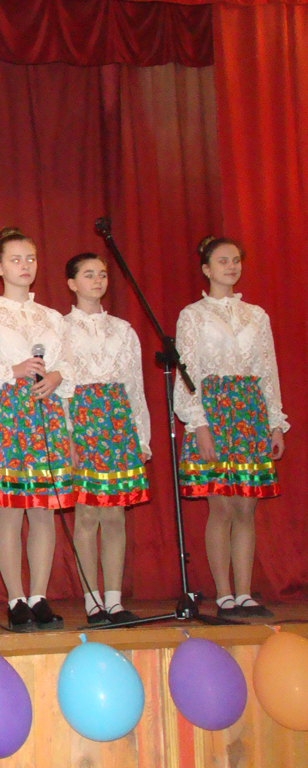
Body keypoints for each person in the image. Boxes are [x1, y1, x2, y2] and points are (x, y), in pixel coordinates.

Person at [0, 227, 75, 632]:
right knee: (10, 508)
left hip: (45, 415)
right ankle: (15, 599)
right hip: (5, 418)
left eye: (30, 259)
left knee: (43, 509)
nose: (25, 266)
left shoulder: (53, 318)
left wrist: (57, 375)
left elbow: (70, 364)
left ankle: (39, 596)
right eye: (15, 259)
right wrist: (14, 370)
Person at [174, 236, 287, 618]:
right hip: (214, 409)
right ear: (206, 269)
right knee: (220, 505)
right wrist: (198, 425)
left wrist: (275, 423)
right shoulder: (193, 315)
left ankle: (244, 593)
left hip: (249, 412)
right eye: (222, 261)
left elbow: (268, 371)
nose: (231, 266)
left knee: (246, 507)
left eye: (236, 260)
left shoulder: (257, 315)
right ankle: (223, 593)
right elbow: (187, 373)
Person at [63, 253, 151, 625]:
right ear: (72, 283)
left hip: (118, 420)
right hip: (82, 419)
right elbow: (60, 388)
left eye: (102, 274)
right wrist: (67, 434)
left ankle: (114, 600)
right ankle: (92, 600)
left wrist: (141, 436)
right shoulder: (60, 328)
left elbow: (135, 386)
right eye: (88, 274)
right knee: (87, 513)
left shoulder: (123, 330)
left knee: (115, 513)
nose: (97, 280)